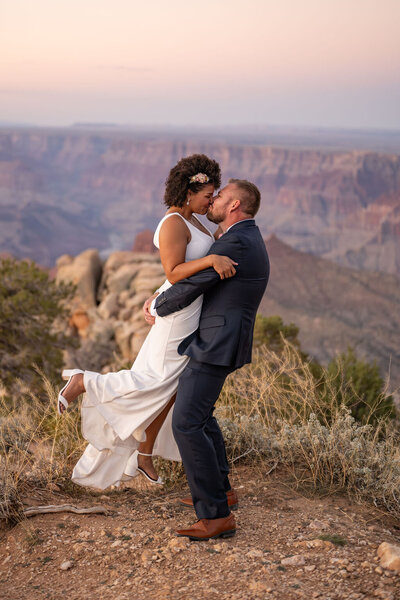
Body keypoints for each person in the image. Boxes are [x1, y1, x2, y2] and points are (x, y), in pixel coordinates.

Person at [57, 154, 237, 490]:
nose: (210, 201)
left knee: (171, 387)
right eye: (207, 195)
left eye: (214, 195)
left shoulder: (193, 219)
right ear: (187, 192)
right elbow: (174, 271)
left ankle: (144, 456)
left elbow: (171, 275)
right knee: (156, 381)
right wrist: (212, 258)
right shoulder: (172, 223)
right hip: (179, 316)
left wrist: (156, 293)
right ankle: (86, 382)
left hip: (188, 308)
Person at [149, 179, 270, 540]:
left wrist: (158, 305)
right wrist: (157, 294)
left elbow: (192, 282)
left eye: (220, 197)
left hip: (217, 340)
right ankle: (223, 491)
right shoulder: (246, 236)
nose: (213, 201)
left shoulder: (236, 242)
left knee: (186, 422)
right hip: (223, 337)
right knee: (201, 416)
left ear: (234, 206)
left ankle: (215, 515)